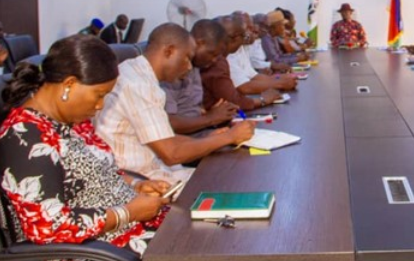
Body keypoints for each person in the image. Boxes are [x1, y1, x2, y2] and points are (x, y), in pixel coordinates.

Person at [0, 34, 249, 261]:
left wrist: (138, 186)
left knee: (222, 252)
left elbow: (103, 173)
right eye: (99, 95)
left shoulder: (73, 124)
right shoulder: (23, 136)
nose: (100, 105)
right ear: (69, 84)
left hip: (116, 235)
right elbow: (48, 226)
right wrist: (129, 212)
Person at [95, 23, 255, 183]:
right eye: (187, 58)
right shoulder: (139, 86)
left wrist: (206, 139)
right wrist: (229, 137)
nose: (189, 67)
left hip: (156, 169)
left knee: (233, 172)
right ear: (169, 51)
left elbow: (164, 138)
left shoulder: (134, 71)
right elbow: (172, 153)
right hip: (145, 181)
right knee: (234, 178)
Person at [161, 19, 237, 137]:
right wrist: (211, 117)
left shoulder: (197, 66)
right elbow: (169, 123)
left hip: (200, 131)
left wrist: (216, 113)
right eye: (212, 54)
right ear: (199, 43)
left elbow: (192, 109)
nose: (214, 60)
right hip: (182, 140)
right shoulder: (173, 70)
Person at [201, 18, 281, 112]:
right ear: (233, 38)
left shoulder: (229, 54)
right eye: (244, 34)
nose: (251, 33)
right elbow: (235, 98)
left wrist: (278, 79)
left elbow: (251, 75)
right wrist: (263, 100)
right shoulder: (217, 61)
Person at [225, 12, 298, 94]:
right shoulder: (229, 53)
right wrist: (279, 83)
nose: (254, 31)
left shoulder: (242, 48)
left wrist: (280, 78)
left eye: (252, 27)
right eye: (248, 28)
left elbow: (254, 76)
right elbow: (245, 87)